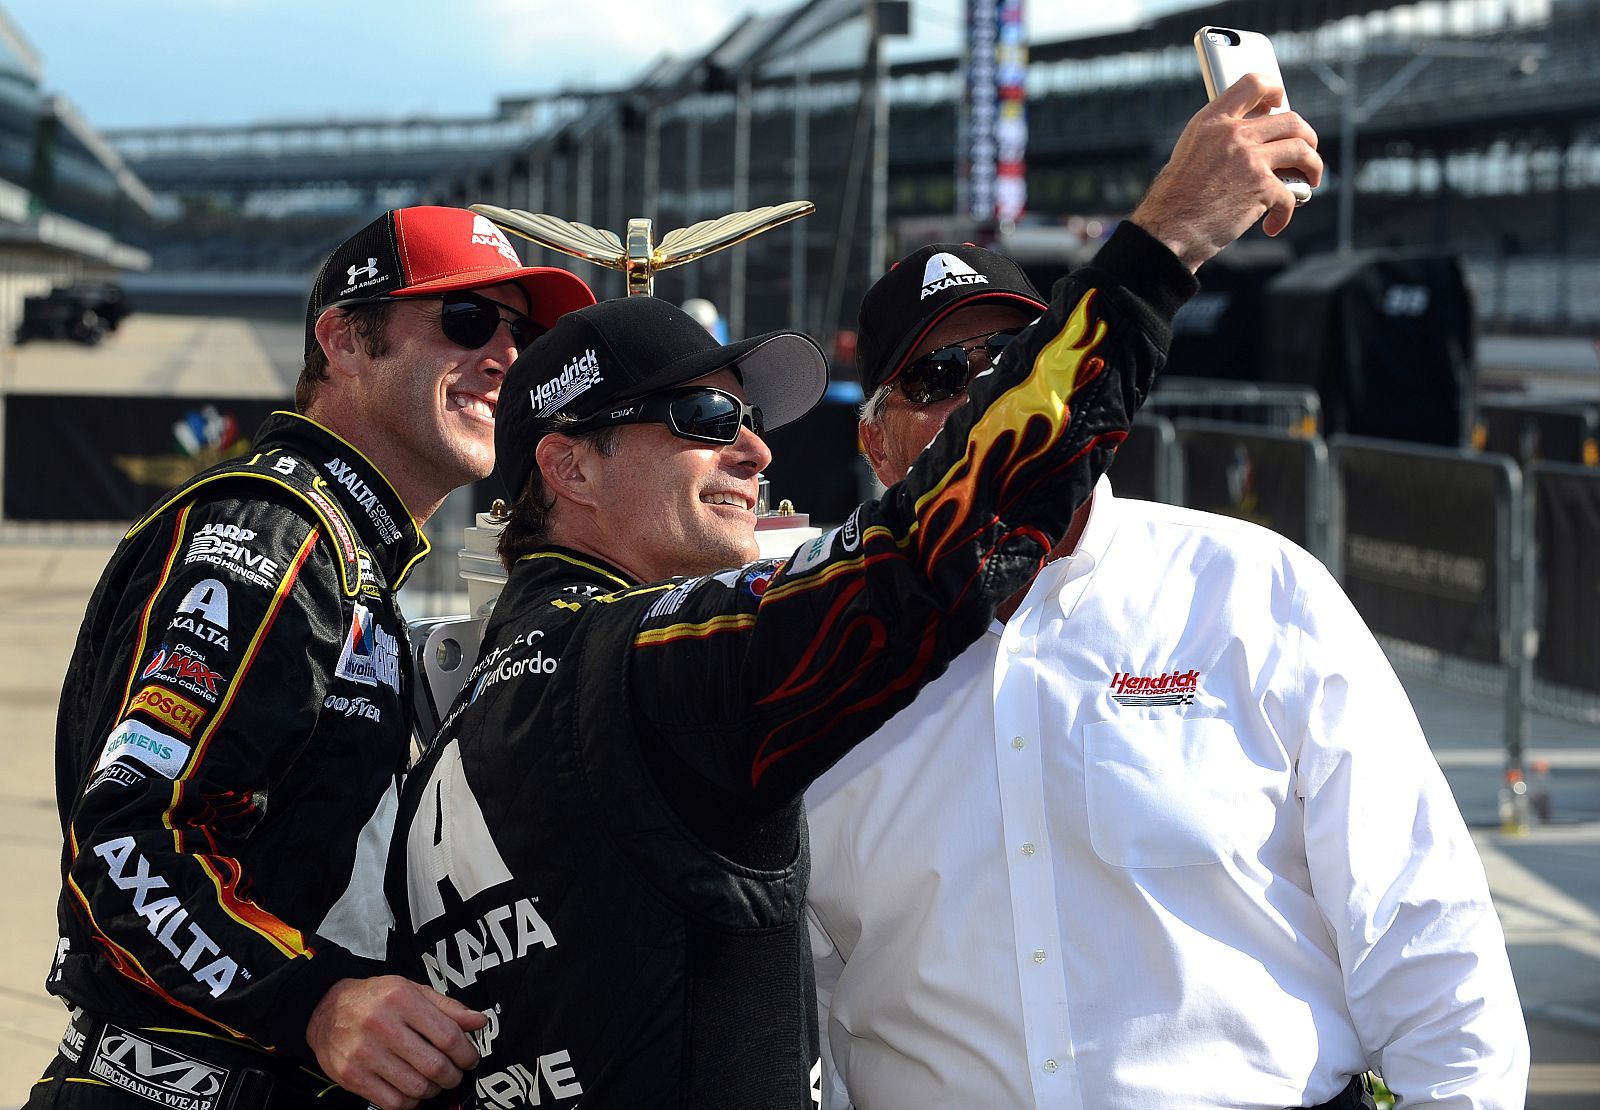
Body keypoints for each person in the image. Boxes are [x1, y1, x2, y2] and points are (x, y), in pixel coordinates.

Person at [384, 72, 1317, 1108]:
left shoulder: (461, 700)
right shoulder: (642, 667)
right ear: (571, 469)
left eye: (749, 419)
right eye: (703, 419)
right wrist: (1164, 244)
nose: (754, 449)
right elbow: (928, 555)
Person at [804, 101, 1528, 1110]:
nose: (984, 401)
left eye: (1017, 361)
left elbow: (1429, 939)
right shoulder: (808, 650)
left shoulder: (1256, 591)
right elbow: (796, 998)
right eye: (935, 377)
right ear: (875, 438)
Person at [27, 206, 596, 1110]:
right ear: (343, 342)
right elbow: (127, 845)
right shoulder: (275, 536)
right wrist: (316, 1002)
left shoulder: (347, 557)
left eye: (520, 336)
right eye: (466, 321)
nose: (504, 357)